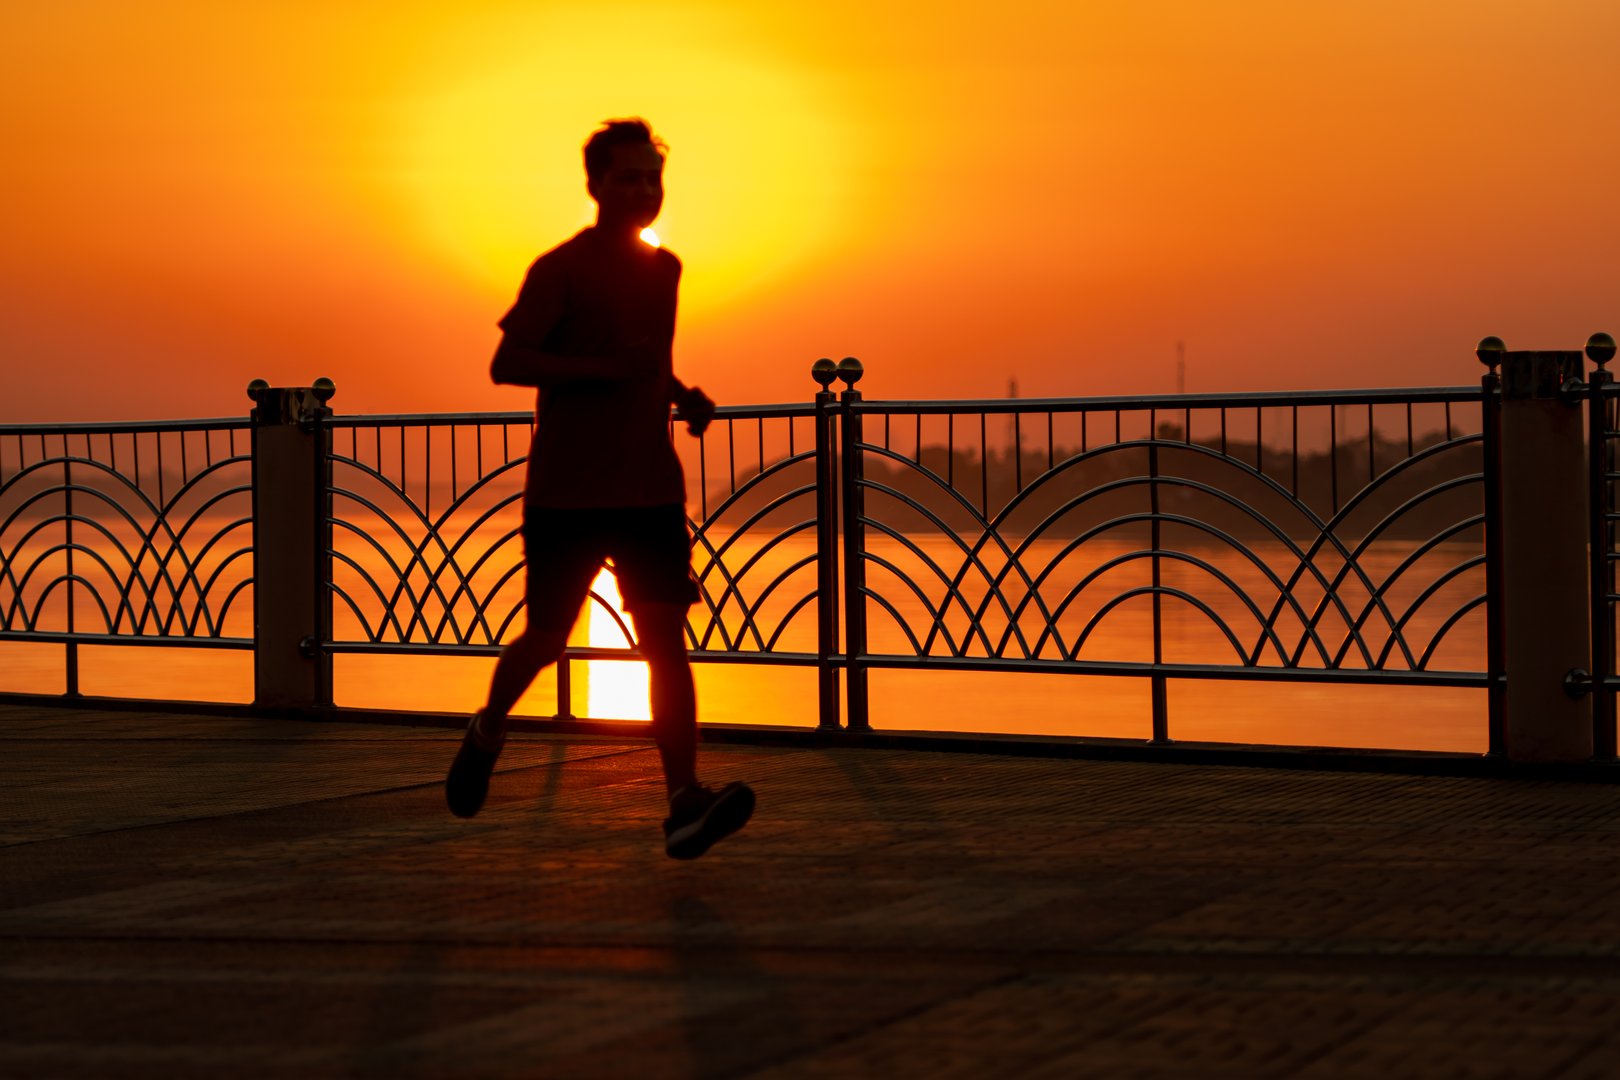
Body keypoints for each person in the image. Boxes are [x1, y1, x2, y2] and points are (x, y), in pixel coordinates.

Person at [445, 118, 754, 860]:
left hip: (650, 489)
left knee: (665, 643)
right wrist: (602, 372)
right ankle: (488, 728)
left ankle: (683, 802)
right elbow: (508, 363)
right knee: (546, 637)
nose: (644, 190)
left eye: (653, 178)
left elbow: (647, 360)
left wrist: (681, 395)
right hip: (568, 491)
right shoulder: (560, 269)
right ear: (595, 185)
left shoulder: (665, 269)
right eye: (628, 178)